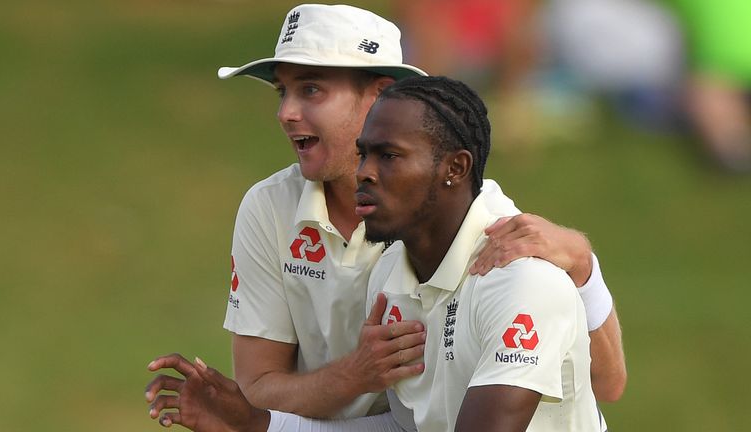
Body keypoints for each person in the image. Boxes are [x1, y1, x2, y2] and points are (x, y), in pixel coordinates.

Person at [145, 4, 625, 431]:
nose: (286, 113)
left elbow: (606, 381)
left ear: (380, 96)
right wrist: (340, 382)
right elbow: (400, 423)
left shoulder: (493, 244)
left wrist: (582, 267)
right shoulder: (305, 226)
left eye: (311, 89)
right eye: (282, 92)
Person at [359, 75, 606, 431]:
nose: (363, 173)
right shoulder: (388, 273)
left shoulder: (521, 280)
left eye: (389, 156)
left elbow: (611, 385)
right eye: (362, 155)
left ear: (455, 168)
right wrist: (266, 424)